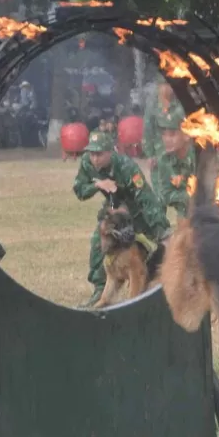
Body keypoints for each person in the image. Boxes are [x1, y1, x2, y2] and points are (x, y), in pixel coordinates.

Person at [72, 130, 166, 307]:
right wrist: (97, 185)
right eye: (91, 153)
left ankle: (150, 292)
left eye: (99, 153)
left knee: (154, 252)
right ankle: (101, 293)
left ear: (110, 151)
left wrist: (162, 229)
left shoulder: (127, 167)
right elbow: (79, 190)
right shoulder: (87, 163)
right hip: (114, 210)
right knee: (98, 244)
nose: (95, 158)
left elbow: (146, 198)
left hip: (138, 212)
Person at [152, 104, 195, 221]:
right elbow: (165, 195)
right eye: (164, 134)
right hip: (186, 212)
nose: (166, 139)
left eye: (172, 134)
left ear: (186, 135)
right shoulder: (164, 160)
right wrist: (189, 197)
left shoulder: (200, 156)